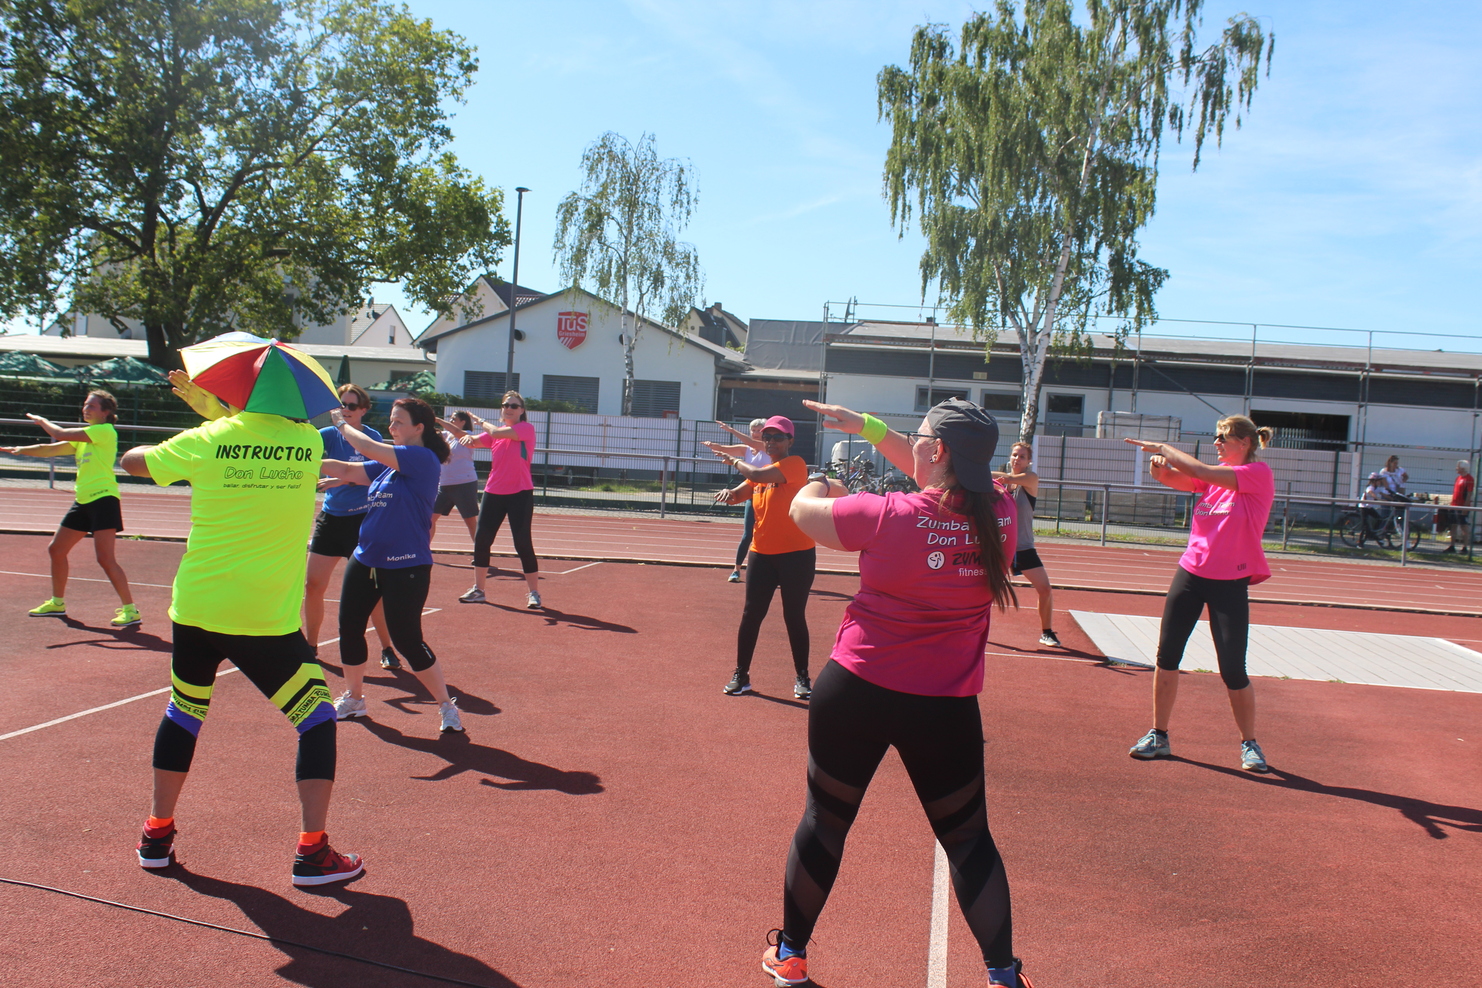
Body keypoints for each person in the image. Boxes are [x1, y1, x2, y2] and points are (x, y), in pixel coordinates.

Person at [754, 396, 1033, 988]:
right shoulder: (1004, 514)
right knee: (968, 838)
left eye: (920, 438)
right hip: (944, 707)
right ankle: (1003, 974)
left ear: (936, 451)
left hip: (856, 691)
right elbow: (937, 473)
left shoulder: (887, 514)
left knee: (825, 822)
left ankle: (791, 955)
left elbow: (803, 512)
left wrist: (820, 479)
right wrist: (868, 427)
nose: (914, 445)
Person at [120, 368, 361, 887]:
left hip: (199, 610)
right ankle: (312, 853)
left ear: (235, 394)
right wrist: (220, 416)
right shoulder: (304, 440)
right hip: (263, 621)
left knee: (184, 712)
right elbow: (266, 440)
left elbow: (132, 462)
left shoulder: (210, 439)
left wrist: (207, 425)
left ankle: (156, 835)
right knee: (316, 719)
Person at [1123, 416, 1277, 773]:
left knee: (1232, 669)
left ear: (1244, 442)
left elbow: (1199, 471)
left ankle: (1249, 744)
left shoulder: (1256, 473)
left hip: (1230, 581)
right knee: (1167, 655)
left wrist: (1165, 447)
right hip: (1191, 572)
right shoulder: (1216, 474)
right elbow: (1171, 477)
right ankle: (1158, 735)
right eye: (1216, 437)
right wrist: (1158, 465)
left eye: (1223, 438)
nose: (1217, 444)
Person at [320, 398, 464, 734]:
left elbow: (366, 446)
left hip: (406, 564)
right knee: (349, 629)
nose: (392, 427)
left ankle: (446, 704)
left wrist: (341, 424)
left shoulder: (422, 458)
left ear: (419, 428)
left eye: (399, 422)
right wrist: (301, 456)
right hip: (366, 557)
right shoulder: (388, 464)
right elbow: (345, 470)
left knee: (407, 639)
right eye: (391, 421)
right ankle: (354, 698)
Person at [3, 390, 138, 626]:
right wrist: (20, 450)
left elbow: (59, 433)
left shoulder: (103, 431)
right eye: (86, 405)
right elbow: (51, 448)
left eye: (93, 406)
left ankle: (131, 610)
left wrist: (41, 421)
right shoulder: (85, 437)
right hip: (83, 501)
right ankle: (57, 603)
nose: (86, 409)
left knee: (105, 558)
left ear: (106, 412)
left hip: (103, 500)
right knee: (56, 549)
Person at [705, 415, 816, 700]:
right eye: (767, 437)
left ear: (790, 441)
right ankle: (741, 674)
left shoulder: (795, 464)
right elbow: (740, 492)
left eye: (777, 437)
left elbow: (754, 476)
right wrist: (727, 493)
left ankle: (802, 677)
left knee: (793, 616)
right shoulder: (762, 469)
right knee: (751, 615)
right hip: (761, 554)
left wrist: (733, 462)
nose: (771, 442)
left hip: (796, 555)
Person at [303, 384, 397, 670]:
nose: (345, 409)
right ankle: (311, 646)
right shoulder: (327, 435)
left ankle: (387, 647)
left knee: (373, 591)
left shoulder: (372, 437)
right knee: (313, 585)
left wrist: (343, 479)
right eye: (342, 404)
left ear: (364, 410)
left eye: (352, 405)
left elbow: (376, 473)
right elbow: (310, 461)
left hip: (362, 521)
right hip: (331, 520)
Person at [457, 391, 542, 609]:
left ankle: (534, 593)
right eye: (506, 405)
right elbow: (471, 441)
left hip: (520, 493)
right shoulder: (496, 434)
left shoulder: (525, 429)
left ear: (522, 410)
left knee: (522, 543)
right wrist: (460, 433)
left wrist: (480, 421)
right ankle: (479, 590)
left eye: (514, 405)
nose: (509, 408)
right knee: (482, 539)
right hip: (493, 492)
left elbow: (494, 430)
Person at [993, 441, 1060, 648]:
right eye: (1014, 455)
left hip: (1023, 547)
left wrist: (982, 473)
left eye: (1022, 456)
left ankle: (1047, 632)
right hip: (999, 547)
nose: (1017, 459)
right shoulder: (999, 484)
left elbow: (1011, 478)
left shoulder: (1031, 479)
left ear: (1029, 461)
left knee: (1045, 589)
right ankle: (966, 628)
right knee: (981, 590)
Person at [712, 418, 768, 582]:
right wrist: (711, 445)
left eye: (760, 430)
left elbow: (751, 442)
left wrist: (731, 430)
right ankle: (736, 570)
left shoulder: (767, 447)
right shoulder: (746, 449)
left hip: (771, 495)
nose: (756, 433)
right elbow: (723, 449)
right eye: (754, 430)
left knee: (767, 534)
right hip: (753, 493)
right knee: (747, 534)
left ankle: (769, 572)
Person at [429, 410, 481, 544]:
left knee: (470, 521)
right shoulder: (447, 436)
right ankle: (423, 549)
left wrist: (440, 420)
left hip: (464, 483)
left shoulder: (467, 435)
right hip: (444, 484)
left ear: (463, 422)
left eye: (453, 419)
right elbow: (433, 434)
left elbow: (458, 433)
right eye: (450, 419)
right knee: (429, 518)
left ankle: (480, 554)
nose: (451, 421)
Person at [1359, 472, 1396, 546]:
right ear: (1374, 481)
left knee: (1379, 519)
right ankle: (1360, 543)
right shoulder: (1370, 488)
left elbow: (1385, 495)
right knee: (1365, 526)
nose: (1380, 482)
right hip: (1363, 507)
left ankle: (1374, 533)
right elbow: (1373, 495)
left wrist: (1393, 499)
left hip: (1369, 507)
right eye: (1379, 480)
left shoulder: (1377, 488)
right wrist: (1380, 500)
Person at [1445, 459, 1474, 553]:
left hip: (1462, 506)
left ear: (1463, 468)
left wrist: (1465, 507)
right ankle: (1452, 546)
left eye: (1458, 467)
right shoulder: (1458, 478)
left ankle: (1465, 547)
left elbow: (1469, 494)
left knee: (1463, 526)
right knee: (1453, 526)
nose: (1456, 469)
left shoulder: (1469, 479)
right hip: (1454, 505)